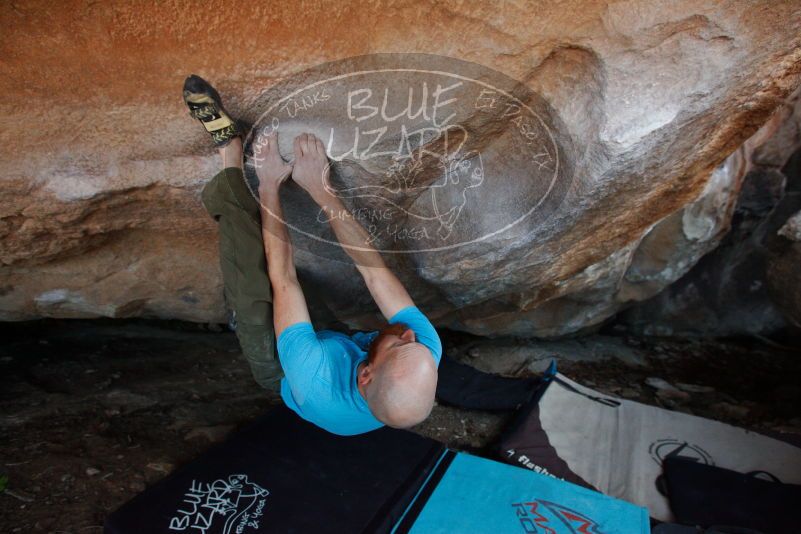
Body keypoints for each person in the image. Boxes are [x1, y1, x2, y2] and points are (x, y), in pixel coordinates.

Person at [183, 75, 441, 436]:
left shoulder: (313, 377)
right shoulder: (421, 354)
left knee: (250, 267)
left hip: (282, 365)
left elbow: (282, 279)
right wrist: (321, 189)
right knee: (306, 294)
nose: (411, 336)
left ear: (366, 376)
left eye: (401, 344)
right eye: (418, 348)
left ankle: (230, 152)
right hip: (340, 346)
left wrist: (269, 183)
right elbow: (374, 273)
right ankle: (311, 328)